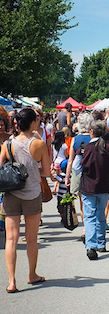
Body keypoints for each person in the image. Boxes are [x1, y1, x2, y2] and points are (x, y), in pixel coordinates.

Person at [1, 108, 51, 292]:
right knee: (31, 239)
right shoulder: (39, 144)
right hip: (32, 194)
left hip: (11, 194)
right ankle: (32, 274)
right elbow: (46, 172)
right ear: (32, 123)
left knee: (11, 239)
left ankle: (12, 282)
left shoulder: (7, 144)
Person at [80, 121, 109, 260]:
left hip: (88, 186)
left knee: (89, 216)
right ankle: (101, 243)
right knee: (100, 215)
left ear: (91, 131)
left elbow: (76, 167)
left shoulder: (85, 148)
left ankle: (91, 245)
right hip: (104, 185)